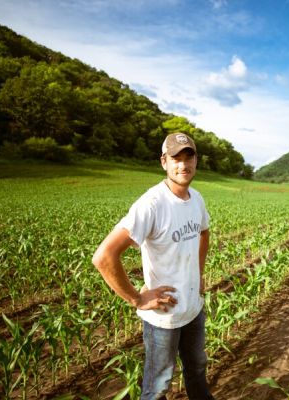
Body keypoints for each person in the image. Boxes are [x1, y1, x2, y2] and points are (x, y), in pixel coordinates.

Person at [92, 132, 215, 400]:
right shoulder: (152, 204)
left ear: (196, 161)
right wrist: (136, 298)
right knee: (158, 387)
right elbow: (103, 257)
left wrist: (199, 272)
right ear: (164, 162)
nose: (183, 165)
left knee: (197, 370)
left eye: (188, 157)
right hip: (164, 317)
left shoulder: (197, 199)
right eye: (176, 159)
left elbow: (204, 232)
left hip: (193, 308)